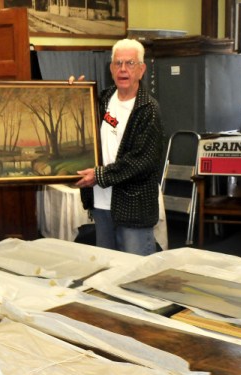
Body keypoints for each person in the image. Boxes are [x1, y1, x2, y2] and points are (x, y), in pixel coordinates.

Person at [73, 38, 163, 255]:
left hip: (134, 207)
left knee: (135, 273)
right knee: (107, 267)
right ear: (111, 68)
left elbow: (142, 161)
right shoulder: (103, 100)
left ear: (141, 70)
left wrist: (100, 176)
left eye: (130, 63)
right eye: (118, 63)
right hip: (102, 203)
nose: (123, 69)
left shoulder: (148, 110)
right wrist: (74, 95)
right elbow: (81, 127)